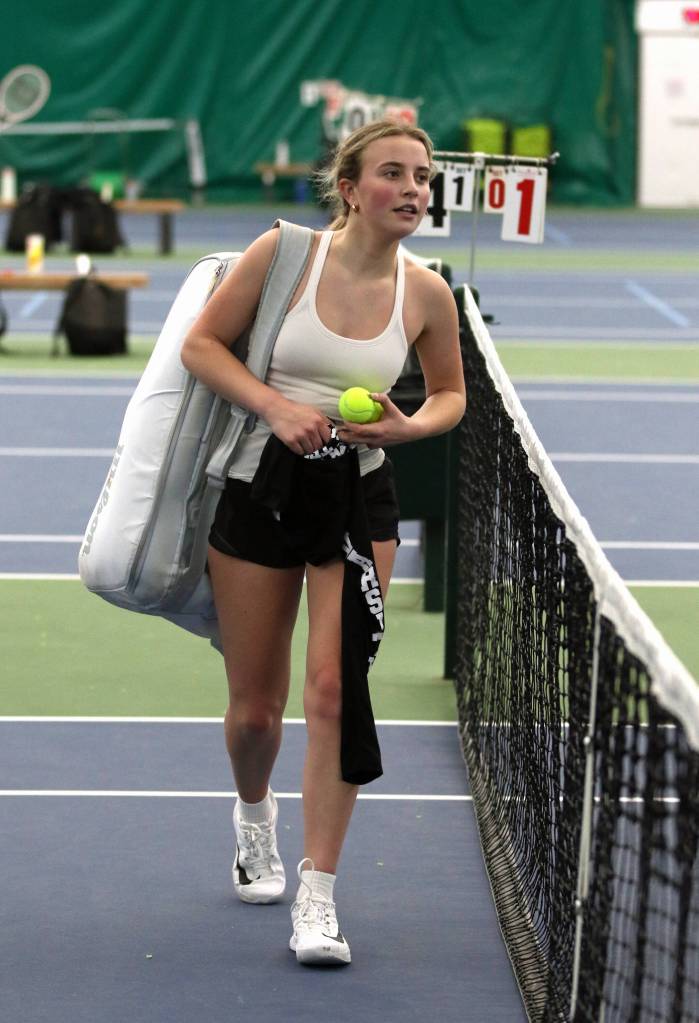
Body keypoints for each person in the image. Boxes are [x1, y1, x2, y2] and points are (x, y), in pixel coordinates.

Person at [180, 118, 466, 967]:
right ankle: (254, 817)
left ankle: (318, 894)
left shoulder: (428, 293)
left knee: (337, 692)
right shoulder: (283, 254)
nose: (414, 189)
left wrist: (410, 427)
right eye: (394, 174)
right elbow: (201, 345)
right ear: (349, 187)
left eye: (423, 177)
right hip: (258, 489)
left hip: (358, 499)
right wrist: (273, 406)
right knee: (256, 710)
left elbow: (449, 394)